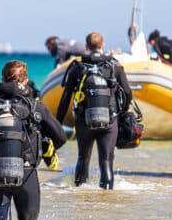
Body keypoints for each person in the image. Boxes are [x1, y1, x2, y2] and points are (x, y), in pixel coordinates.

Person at [0, 60, 66, 220]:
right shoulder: (36, 107)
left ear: (2, 80)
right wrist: (44, 143)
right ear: (26, 81)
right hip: (27, 174)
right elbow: (61, 138)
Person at [56, 32, 132, 190]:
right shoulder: (114, 66)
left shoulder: (77, 67)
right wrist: (122, 112)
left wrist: (57, 124)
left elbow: (65, 99)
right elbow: (128, 93)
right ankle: (105, 198)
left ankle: (80, 193)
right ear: (102, 46)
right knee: (106, 162)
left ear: (86, 47)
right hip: (109, 121)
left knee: (83, 159)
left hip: (84, 121)